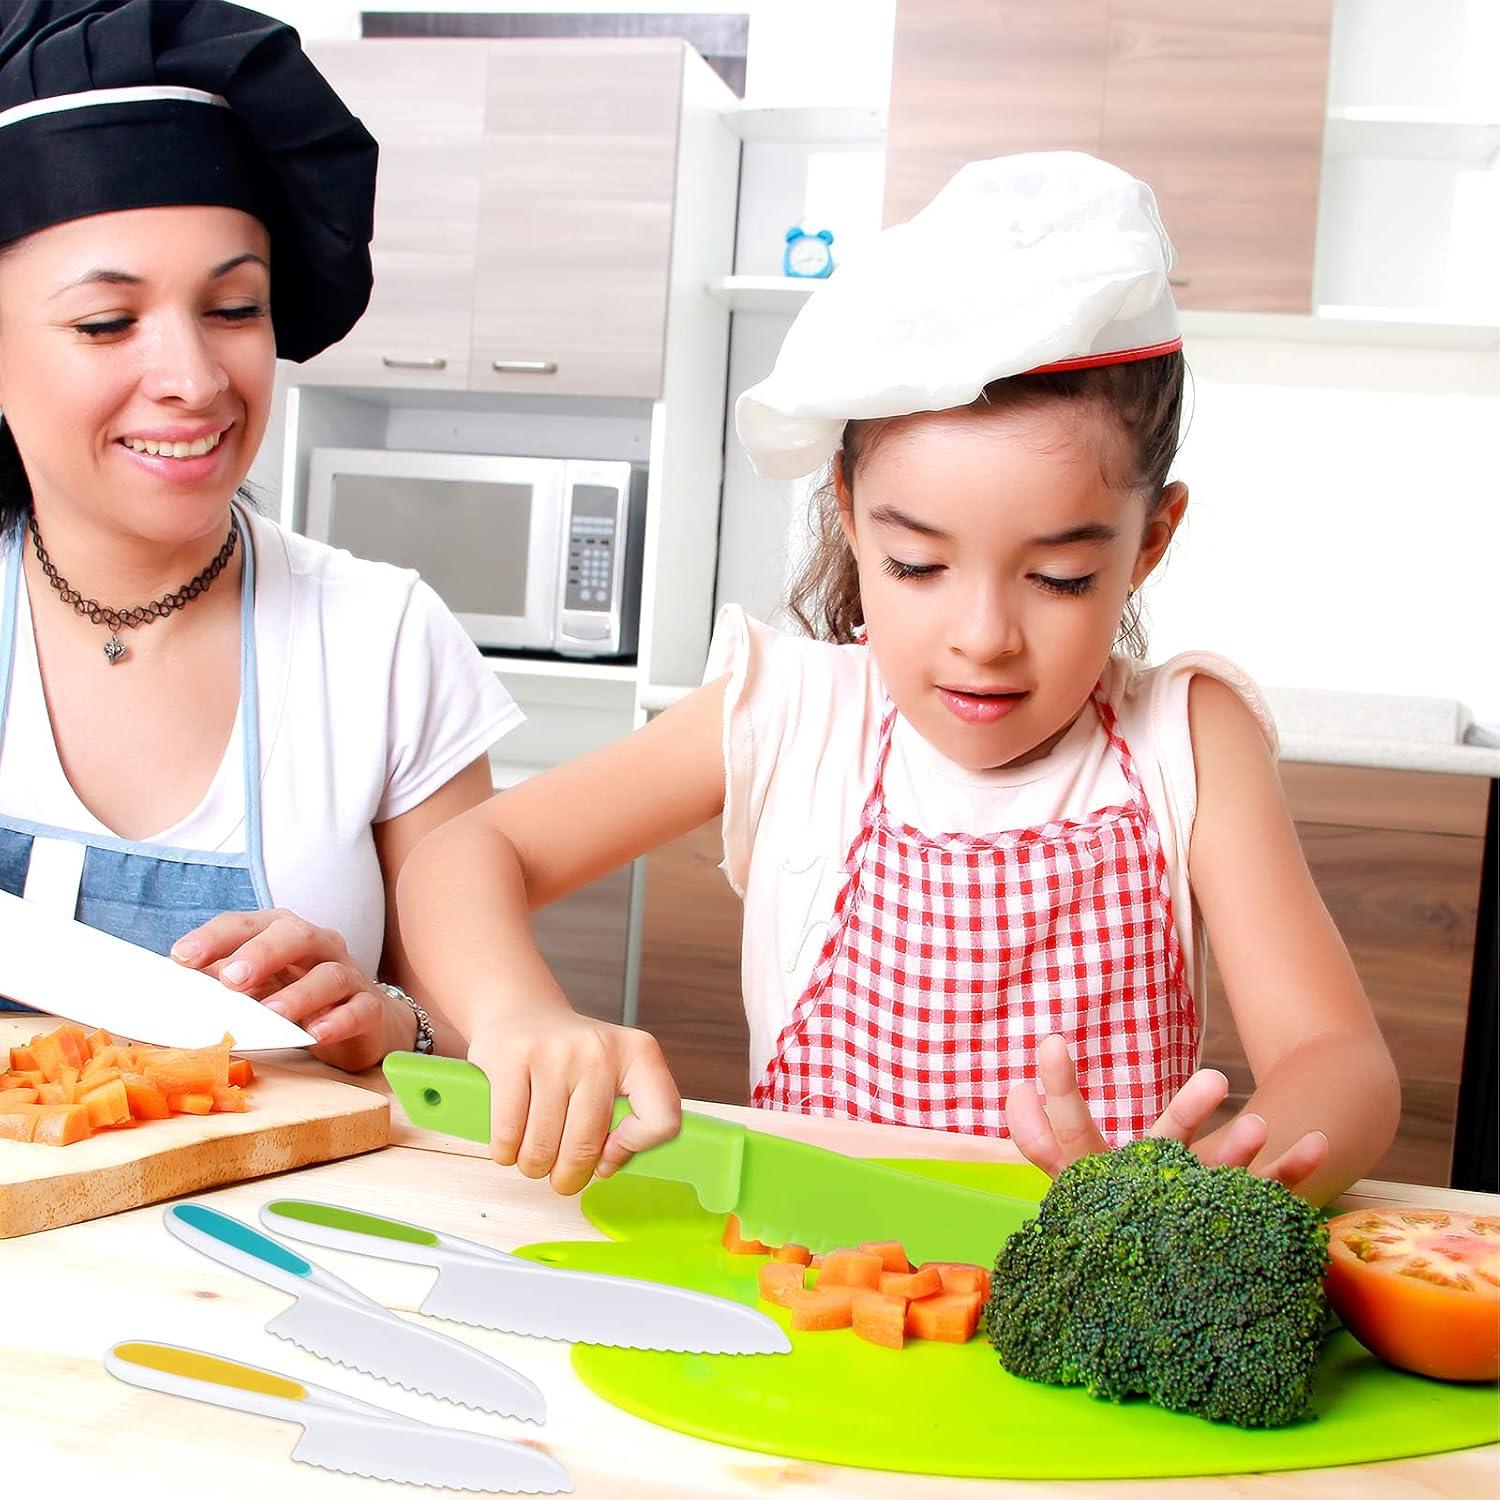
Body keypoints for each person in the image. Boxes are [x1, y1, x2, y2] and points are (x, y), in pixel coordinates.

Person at [395, 153, 1401, 1203]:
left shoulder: (1186, 739)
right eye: (917, 566)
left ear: (1150, 543)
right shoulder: (792, 714)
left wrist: (1201, 1198)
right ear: (849, 513)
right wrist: (517, 1013)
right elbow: (467, 854)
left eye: (1059, 578)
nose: (983, 636)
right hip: (824, 1291)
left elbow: (1339, 1059)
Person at [0, 0, 521, 1069]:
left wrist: (390, 1024)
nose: (195, 381)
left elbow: (484, 1045)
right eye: (107, 323)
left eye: (234, 308)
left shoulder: (381, 640)